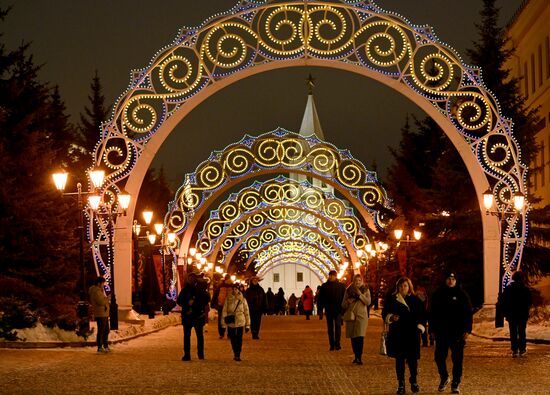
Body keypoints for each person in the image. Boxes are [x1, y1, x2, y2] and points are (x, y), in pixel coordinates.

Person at [430, 272, 472, 394]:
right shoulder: (438, 294)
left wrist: (467, 329)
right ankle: (444, 377)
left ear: (456, 280)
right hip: (441, 331)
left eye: (453, 279)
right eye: (449, 278)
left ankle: (456, 382)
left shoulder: (462, 295)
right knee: (439, 357)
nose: (451, 281)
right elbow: (432, 313)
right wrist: (431, 329)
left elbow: (468, 313)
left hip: (457, 332)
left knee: (457, 359)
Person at [382, 277, 426, 394]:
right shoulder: (392, 299)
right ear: (398, 287)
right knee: (400, 360)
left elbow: (422, 315)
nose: (403, 288)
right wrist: (391, 317)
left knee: (412, 360)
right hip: (398, 333)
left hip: (412, 334)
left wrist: (420, 327)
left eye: (405, 286)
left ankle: (414, 380)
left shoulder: (415, 300)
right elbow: (385, 313)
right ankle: (401, 384)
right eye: (401, 286)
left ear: (409, 287)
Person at [176, 272, 211, 361]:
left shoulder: (200, 289)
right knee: (188, 336)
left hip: (197, 315)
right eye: (189, 279)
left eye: (191, 279)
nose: (190, 280)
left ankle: (200, 354)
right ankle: (187, 354)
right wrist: (187, 303)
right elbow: (179, 301)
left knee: (199, 336)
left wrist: (195, 303)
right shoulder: (185, 290)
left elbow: (206, 300)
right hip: (188, 316)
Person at [500, 271, 532, 358]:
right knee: (522, 331)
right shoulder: (525, 289)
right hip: (522, 314)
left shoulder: (508, 289)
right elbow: (529, 301)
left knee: (513, 332)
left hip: (512, 314)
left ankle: (514, 349)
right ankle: (522, 348)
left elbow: (503, 301)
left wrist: (506, 312)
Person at [342, 274, 371, 364]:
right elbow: (343, 305)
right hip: (351, 316)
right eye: (356, 280)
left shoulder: (365, 290)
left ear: (362, 281)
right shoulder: (348, 290)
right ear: (353, 281)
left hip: (362, 317)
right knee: (353, 337)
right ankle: (355, 356)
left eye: (359, 280)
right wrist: (348, 301)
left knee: (360, 336)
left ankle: (359, 357)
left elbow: (368, 302)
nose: (357, 282)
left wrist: (360, 295)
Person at [318, 269, 346, 351]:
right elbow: (320, 299)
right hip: (329, 310)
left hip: (338, 310)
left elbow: (344, 299)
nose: (331, 277)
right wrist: (320, 310)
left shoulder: (341, 286)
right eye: (330, 275)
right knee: (330, 328)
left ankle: (337, 344)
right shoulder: (324, 286)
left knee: (338, 327)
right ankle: (332, 344)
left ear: (335, 276)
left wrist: (343, 310)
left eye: (332, 275)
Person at [221, 284, 251, 361]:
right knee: (233, 338)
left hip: (240, 320)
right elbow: (224, 311)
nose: (234, 290)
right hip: (231, 320)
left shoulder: (243, 299)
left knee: (239, 338)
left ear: (238, 290)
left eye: (236, 289)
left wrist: (248, 324)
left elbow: (246, 312)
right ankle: (235, 352)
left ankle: (238, 354)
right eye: (233, 289)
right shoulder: (228, 298)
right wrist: (223, 324)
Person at [89, 276, 110, 353]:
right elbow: (101, 302)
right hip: (101, 314)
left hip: (103, 313)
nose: (103, 285)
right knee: (102, 330)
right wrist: (108, 298)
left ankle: (105, 345)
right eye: (102, 283)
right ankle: (100, 346)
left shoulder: (99, 291)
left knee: (106, 330)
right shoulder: (96, 291)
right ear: (99, 283)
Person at [212, 274, 233, 339]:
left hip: (230, 305)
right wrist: (213, 303)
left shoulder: (232, 286)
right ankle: (221, 333)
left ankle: (229, 334)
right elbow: (215, 295)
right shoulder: (220, 286)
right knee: (221, 320)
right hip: (222, 305)